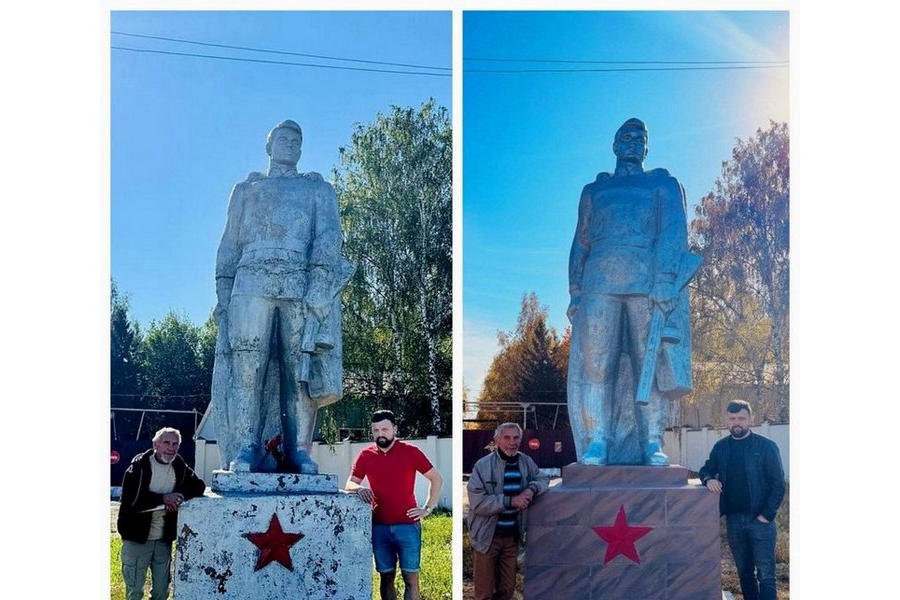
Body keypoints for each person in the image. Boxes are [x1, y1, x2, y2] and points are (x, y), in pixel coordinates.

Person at [211, 119, 353, 474]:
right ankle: (245, 447)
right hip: (250, 281)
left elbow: (328, 238)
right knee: (247, 368)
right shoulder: (245, 190)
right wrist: (224, 293)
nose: (290, 145)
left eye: (296, 141)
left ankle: (299, 451)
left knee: (298, 372)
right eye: (283, 139)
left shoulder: (319, 190)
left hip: (298, 284)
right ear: (269, 146)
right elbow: (229, 244)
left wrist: (319, 285)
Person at [567, 117, 698, 465]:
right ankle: (598, 440)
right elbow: (581, 242)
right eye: (626, 137)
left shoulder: (663, 185)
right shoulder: (594, 191)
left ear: (647, 147)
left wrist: (666, 279)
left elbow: (673, 233)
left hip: (646, 285)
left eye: (641, 138)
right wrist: (575, 289)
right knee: (597, 367)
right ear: (614, 145)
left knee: (649, 365)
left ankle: (651, 441)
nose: (634, 142)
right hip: (598, 285)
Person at [345, 410, 444, 600]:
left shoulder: (410, 452)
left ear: (394, 429)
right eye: (376, 430)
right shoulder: (365, 455)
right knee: (386, 578)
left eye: (384, 429)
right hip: (379, 526)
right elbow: (349, 483)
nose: (380, 434)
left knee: (411, 579)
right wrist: (358, 488)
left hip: (408, 526)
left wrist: (428, 508)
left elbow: (436, 479)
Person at [699, 400, 785, 600]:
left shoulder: (766, 447)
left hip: (761, 522)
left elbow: (778, 484)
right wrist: (709, 478)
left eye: (741, 418)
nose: (736, 422)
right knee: (745, 574)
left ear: (750, 419)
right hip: (734, 521)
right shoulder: (721, 448)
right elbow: (706, 469)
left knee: (766, 575)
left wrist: (766, 515)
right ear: (727, 421)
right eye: (732, 419)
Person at [117, 427, 206, 600]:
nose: (171, 448)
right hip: (136, 539)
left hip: (163, 540)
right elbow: (133, 502)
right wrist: (164, 498)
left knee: (161, 592)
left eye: (175, 444)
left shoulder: (179, 465)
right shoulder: (138, 467)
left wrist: (178, 497)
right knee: (134, 592)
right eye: (166, 442)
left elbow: (199, 486)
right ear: (156, 444)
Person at [466, 423, 549, 600]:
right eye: (506, 437)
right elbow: (478, 502)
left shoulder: (526, 461)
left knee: (507, 590)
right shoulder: (482, 466)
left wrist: (531, 489)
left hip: (512, 538)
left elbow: (542, 478)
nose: (512, 442)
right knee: (484, 592)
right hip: (487, 537)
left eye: (516, 437)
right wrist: (510, 501)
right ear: (496, 440)